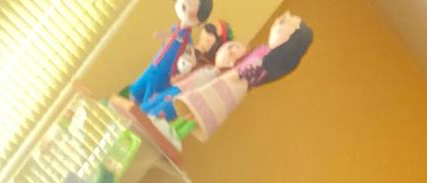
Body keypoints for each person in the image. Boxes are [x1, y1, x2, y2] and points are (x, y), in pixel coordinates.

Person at [170, 10, 315, 142]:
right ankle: (174, 129)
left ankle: (176, 133)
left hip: (231, 86)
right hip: (229, 79)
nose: (277, 25)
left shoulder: (267, 61)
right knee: (197, 105)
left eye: (282, 26)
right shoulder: (262, 51)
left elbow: (247, 70)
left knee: (202, 110)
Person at [127, 0, 213, 108]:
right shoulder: (175, 28)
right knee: (138, 90)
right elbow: (167, 42)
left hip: (164, 75)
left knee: (147, 102)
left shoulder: (187, 41)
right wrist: (162, 36)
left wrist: (178, 75)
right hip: (155, 65)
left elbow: (184, 62)